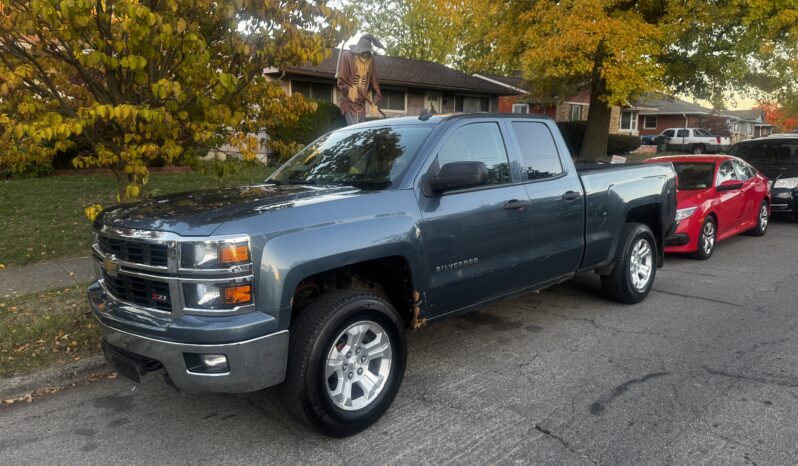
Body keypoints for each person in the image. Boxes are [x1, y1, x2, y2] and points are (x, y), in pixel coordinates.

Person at [336, 34, 383, 125]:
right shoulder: (347, 56)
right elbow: (341, 82)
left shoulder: (371, 61)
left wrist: (374, 102)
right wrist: (351, 90)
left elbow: (375, 82)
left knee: (360, 132)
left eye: (367, 53)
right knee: (353, 132)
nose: (365, 57)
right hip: (350, 104)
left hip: (362, 104)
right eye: (363, 53)